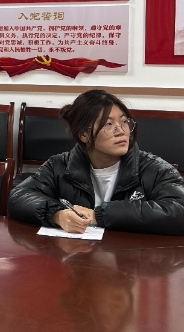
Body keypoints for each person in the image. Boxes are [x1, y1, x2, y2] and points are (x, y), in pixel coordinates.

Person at [10, 90, 184, 235]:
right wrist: (57, 215)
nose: (121, 131)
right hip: (77, 258)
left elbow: (178, 210)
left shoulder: (155, 169)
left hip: (133, 259)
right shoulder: (59, 165)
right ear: (84, 135)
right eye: (108, 124)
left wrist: (99, 216)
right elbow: (19, 196)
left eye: (124, 122)